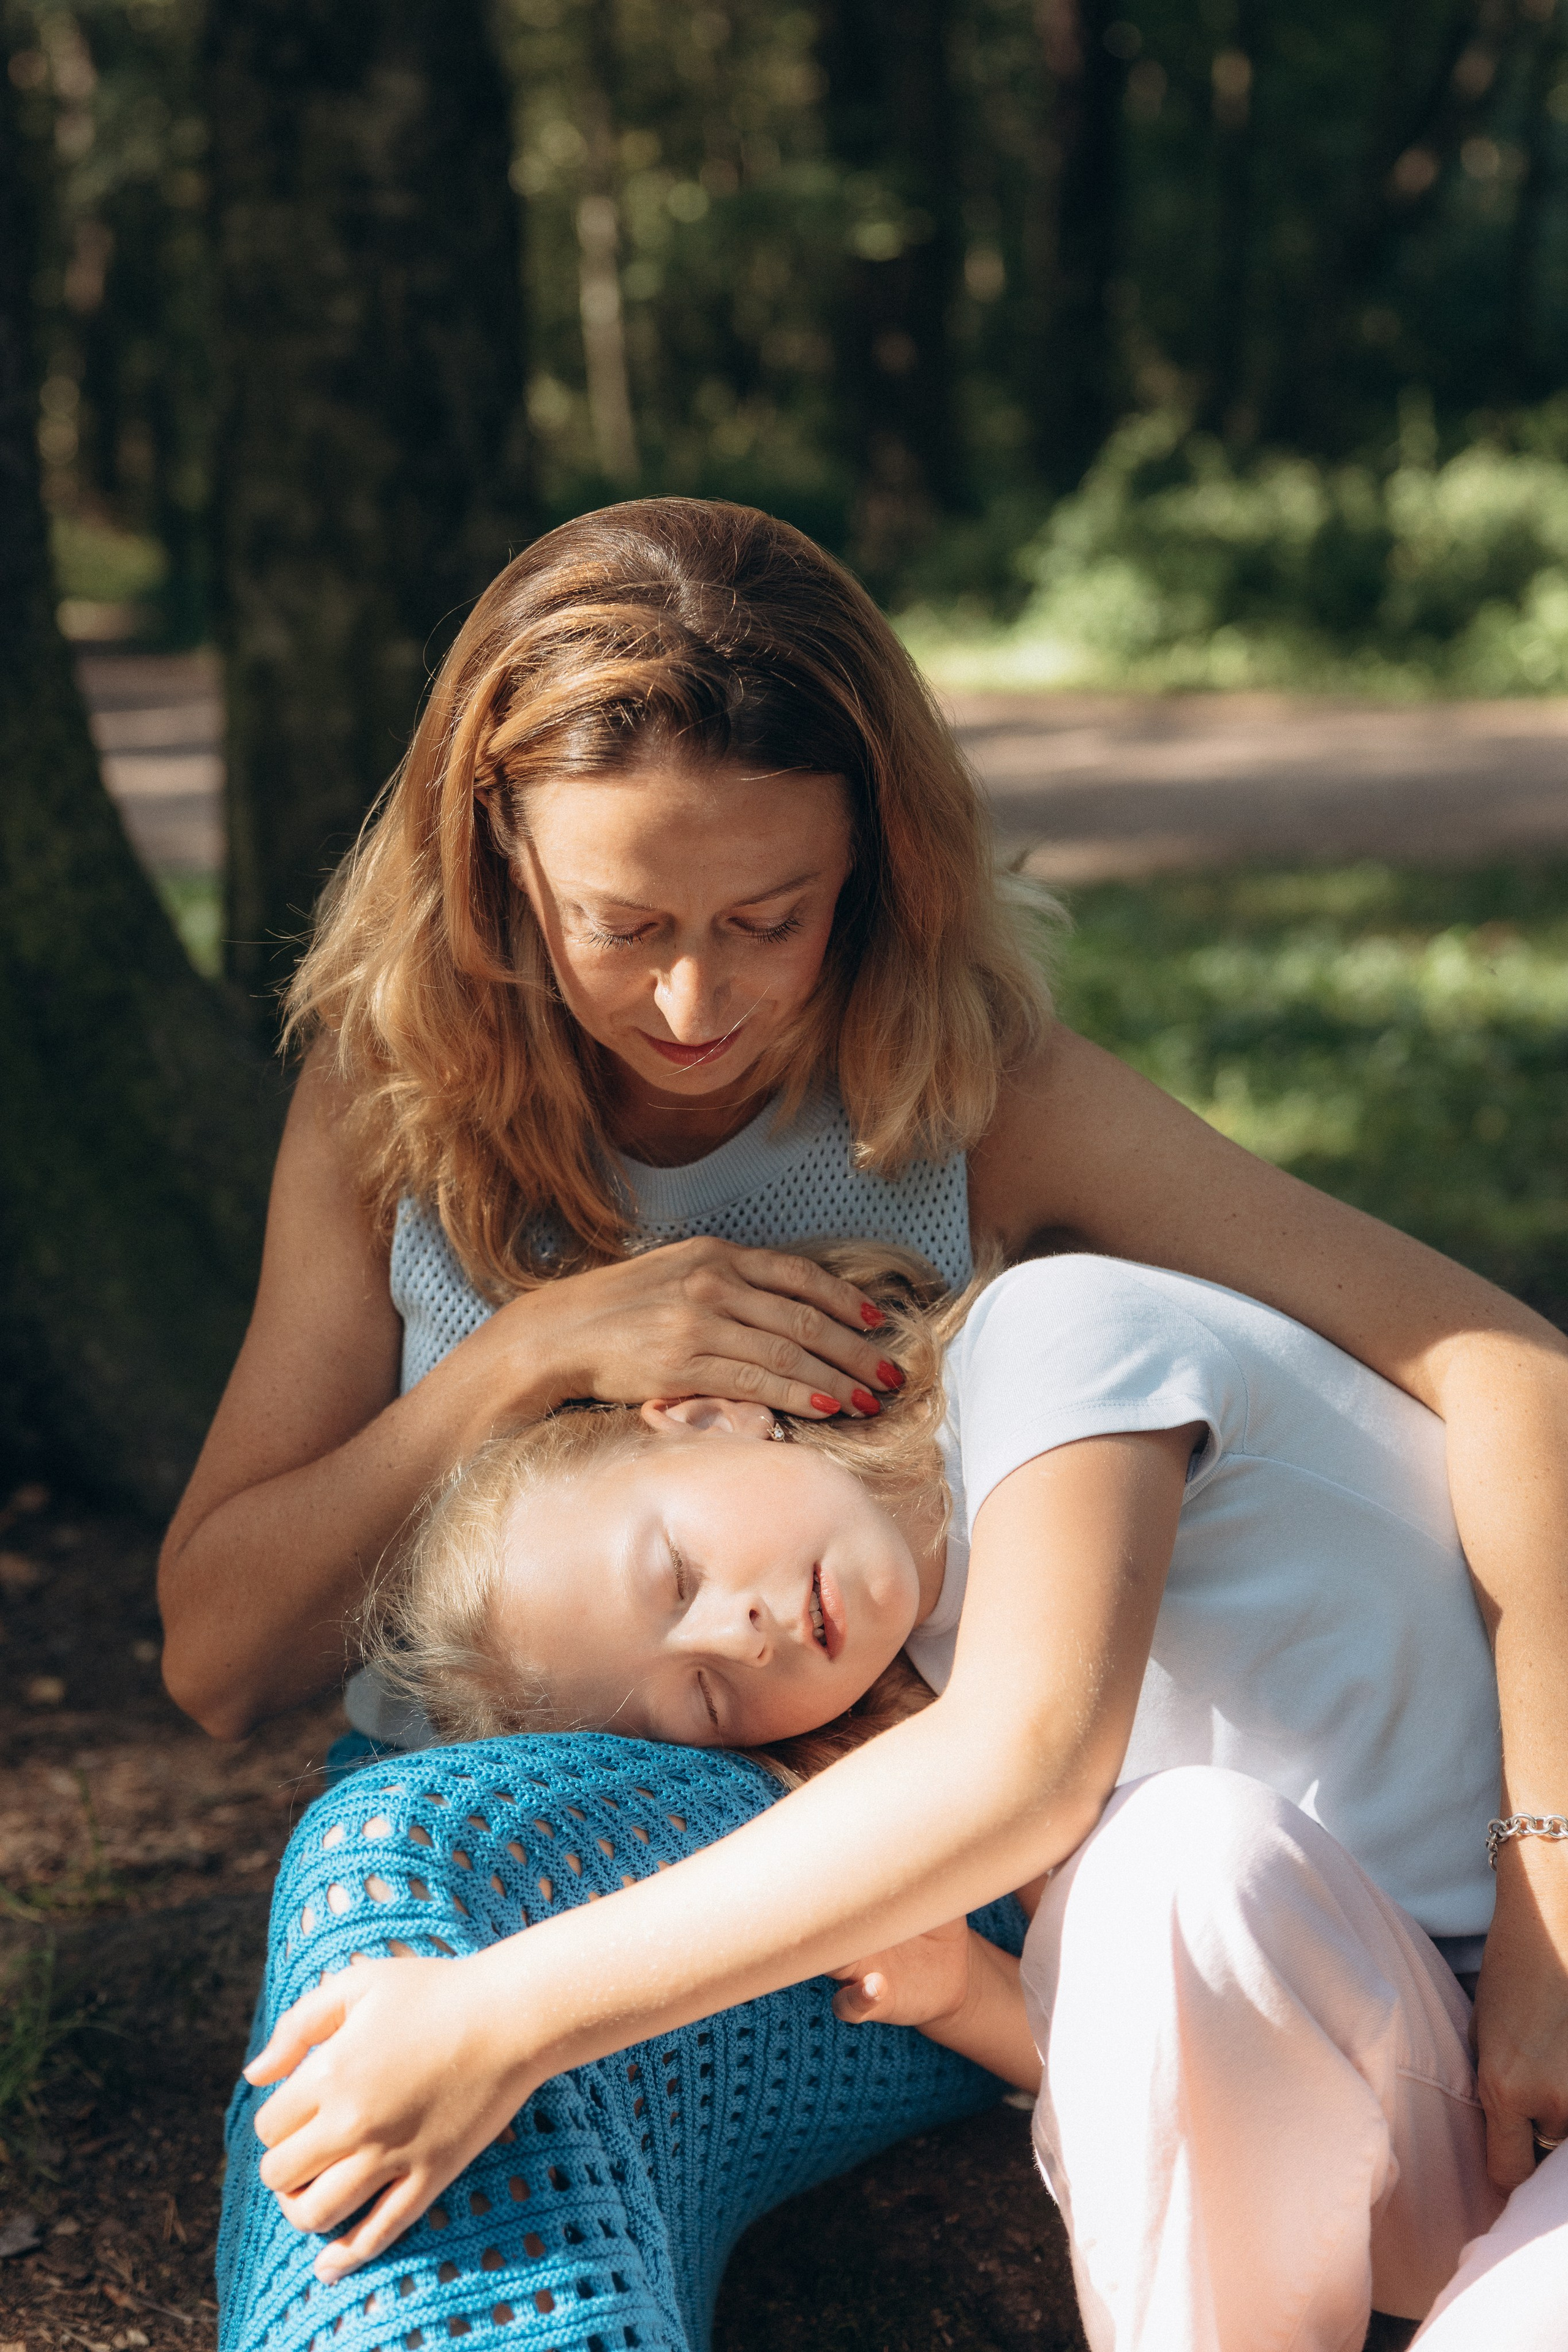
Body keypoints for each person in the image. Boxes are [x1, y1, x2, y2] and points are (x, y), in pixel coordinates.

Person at [157, 497, 1568, 1785]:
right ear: (492, 869)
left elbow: (1504, 1368)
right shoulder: (394, 1104)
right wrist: (527, 1359)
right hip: (465, 1797)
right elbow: (218, 1665)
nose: (693, 1003)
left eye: (768, 920)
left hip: (897, 1824)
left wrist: (1550, 1865)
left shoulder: (975, 1101)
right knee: (391, 1905)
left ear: (876, 870)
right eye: (621, 927)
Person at [239, 1245, 1568, 2350]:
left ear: (705, 1415)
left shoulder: (1049, 1343)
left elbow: (1023, 1765)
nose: (740, 1633)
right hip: (1457, 2112)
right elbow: (1187, 2093)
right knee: (1174, 1862)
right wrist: (976, 1999)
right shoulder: (936, 1700)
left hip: (1532, 1992)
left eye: (675, 1568)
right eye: (698, 1696)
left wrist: (503, 2011)